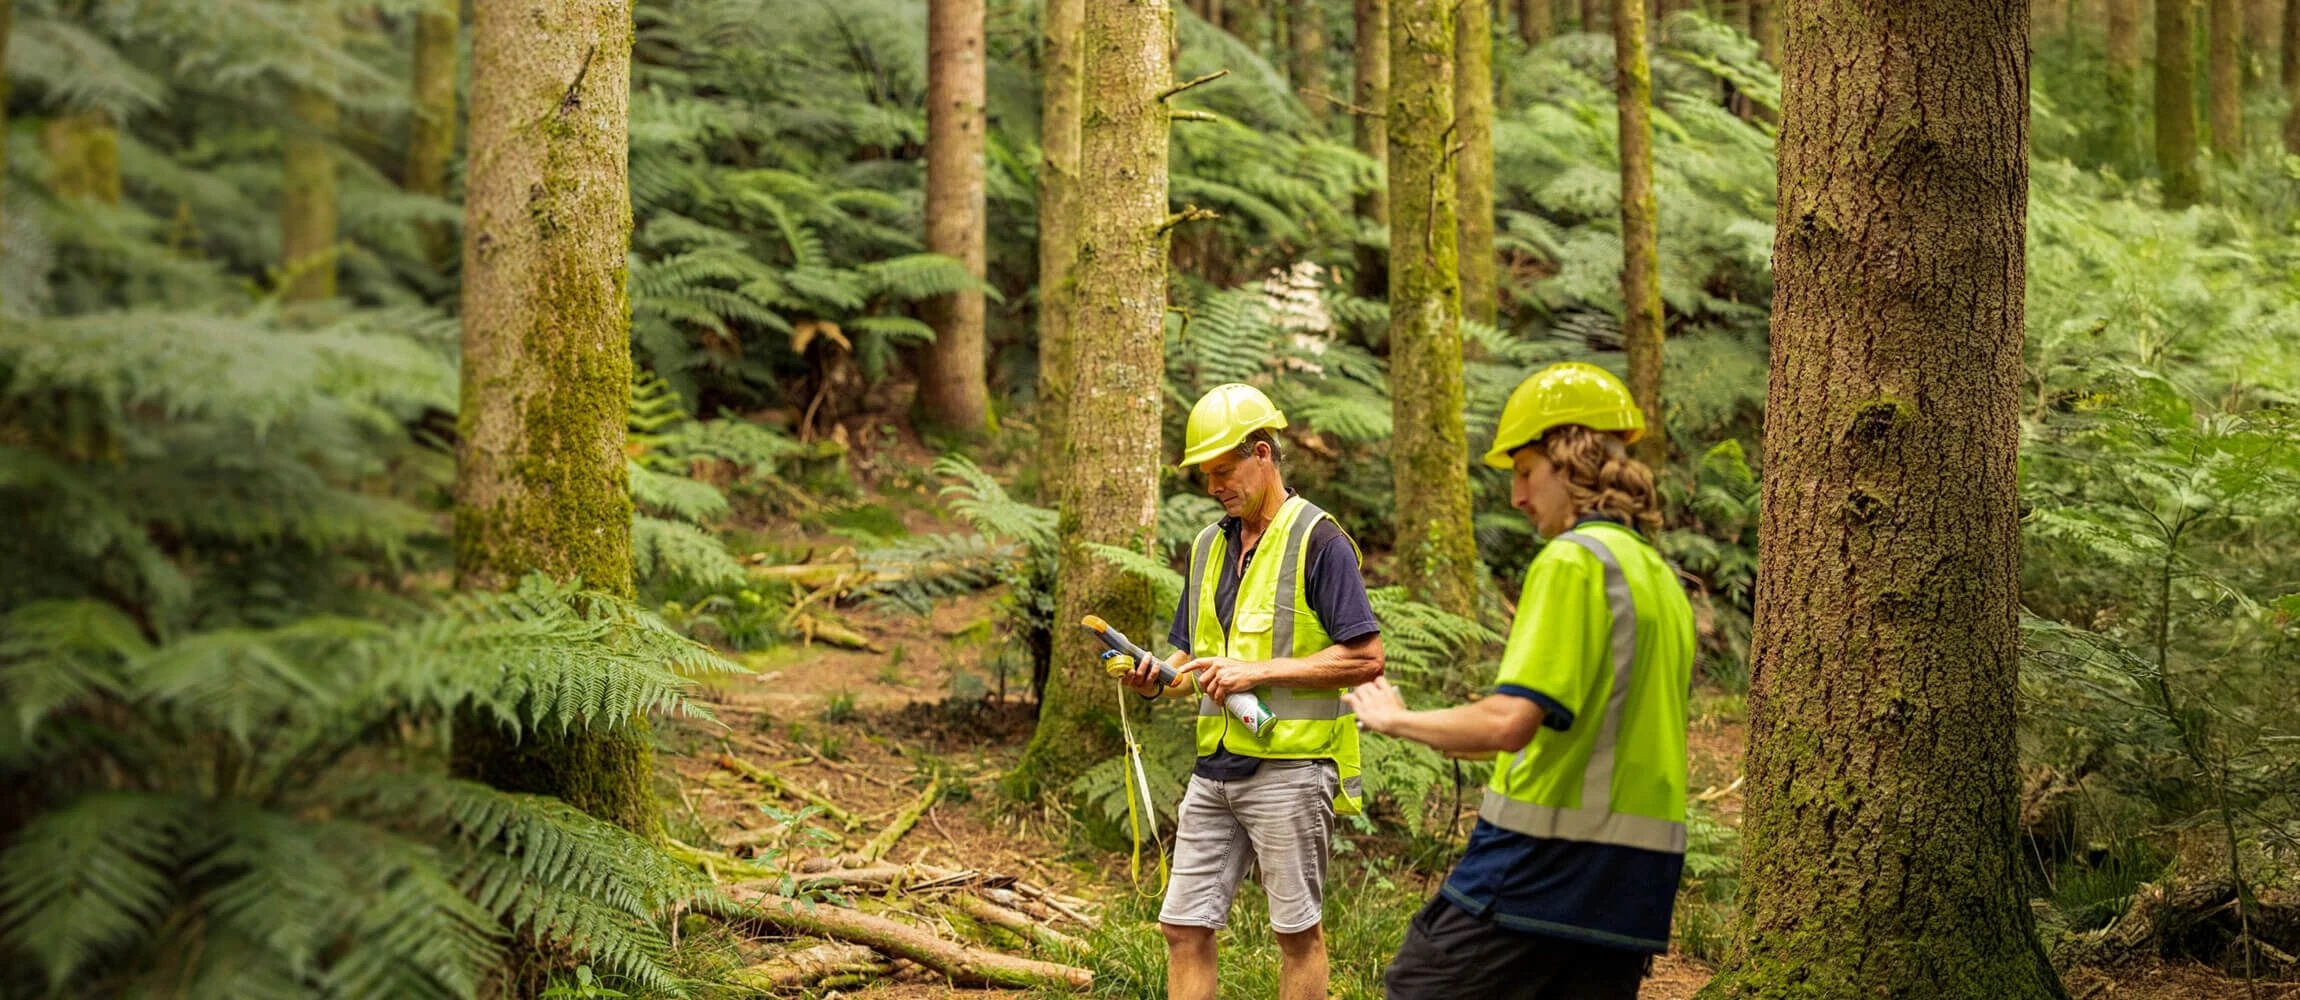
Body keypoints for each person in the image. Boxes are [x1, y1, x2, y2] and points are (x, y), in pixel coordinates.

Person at [1344, 362, 1695, 1000]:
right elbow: (1562, 727)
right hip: (1638, 881)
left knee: (1416, 987)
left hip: (1544, 862)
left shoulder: (1573, 561)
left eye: (1525, 472)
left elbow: (1510, 724)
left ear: (1570, 461)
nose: (1517, 497)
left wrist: (1393, 718)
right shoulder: (1657, 578)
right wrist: (1444, 732)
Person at [1118, 382, 1386, 1000]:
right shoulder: (1209, 545)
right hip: (1215, 770)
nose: (1214, 486)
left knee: (1296, 935)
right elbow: (1191, 655)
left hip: (1291, 769)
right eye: (1205, 475)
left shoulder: (1319, 540)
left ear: (1262, 454)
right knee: (1182, 927)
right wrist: (1159, 676)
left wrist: (1256, 672)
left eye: (1224, 470)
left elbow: (1366, 658)